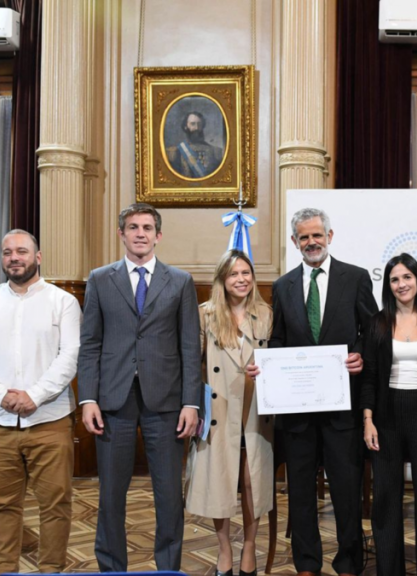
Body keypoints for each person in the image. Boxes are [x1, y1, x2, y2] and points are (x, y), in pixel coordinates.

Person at [246, 207, 378, 576]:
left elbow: (373, 331)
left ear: (330, 237)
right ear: (295, 242)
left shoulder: (355, 278)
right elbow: (279, 339)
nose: (311, 242)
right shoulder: (284, 285)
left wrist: (361, 357)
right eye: (304, 237)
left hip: (343, 408)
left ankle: (349, 560)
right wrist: (265, 366)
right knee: (300, 492)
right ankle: (307, 563)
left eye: (317, 235)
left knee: (346, 490)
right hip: (297, 411)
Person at [77, 203, 203, 572]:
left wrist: (191, 403)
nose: (140, 233)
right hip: (111, 400)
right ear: (122, 234)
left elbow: (188, 347)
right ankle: (112, 569)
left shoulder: (179, 281)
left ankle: (168, 569)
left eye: (147, 227)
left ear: (158, 235)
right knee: (111, 496)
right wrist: (88, 398)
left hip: (165, 402)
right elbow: (90, 344)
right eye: (133, 227)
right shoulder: (100, 279)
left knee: (168, 496)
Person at [0, 229, 80, 574]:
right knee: (1, 505)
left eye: (22, 251)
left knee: (56, 503)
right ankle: (4, 570)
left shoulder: (63, 302)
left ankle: (51, 569)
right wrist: (0, 394)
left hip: (50, 420)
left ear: (37, 257)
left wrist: (34, 395)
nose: (14, 258)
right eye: (7, 252)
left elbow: (69, 356)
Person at [361, 253, 417, 576]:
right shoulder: (378, 322)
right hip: (385, 416)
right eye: (395, 279)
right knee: (386, 498)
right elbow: (369, 377)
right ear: (388, 285)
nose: (401, 284)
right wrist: (368, 421)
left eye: (407, 277)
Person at [186, 250, 274, 576]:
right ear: (223, 279)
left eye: (246, 273)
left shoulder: (266, 314)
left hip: (255, 413)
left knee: (253, 482)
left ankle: (249, 547)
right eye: (234, 274)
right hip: (218, 412)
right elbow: (193, 366)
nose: (241, 279)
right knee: (219, 481)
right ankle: (224, 549)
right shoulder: (204, 315)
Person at [167, 111, 224, 178]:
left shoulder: (215, 151)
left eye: (199, 124)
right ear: (185, 126)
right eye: (192, 124)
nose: (196, 128)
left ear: (203, 126)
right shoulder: (176, 152)